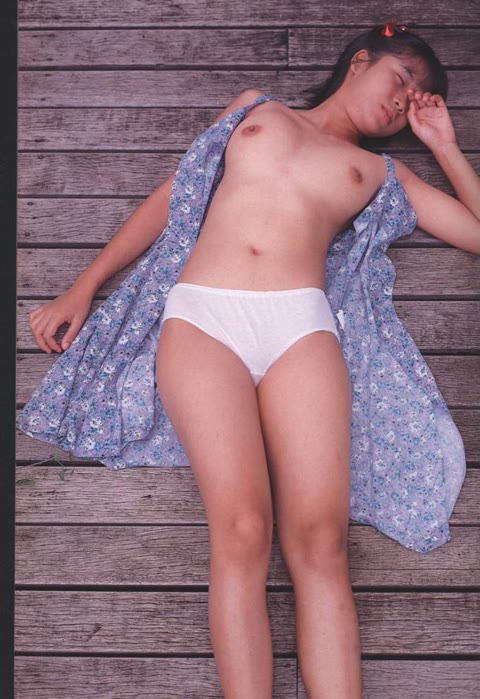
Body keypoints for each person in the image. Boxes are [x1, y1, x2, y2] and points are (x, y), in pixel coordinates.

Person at [22, 22, 480, 698]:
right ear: (361, 60)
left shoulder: (385, 173)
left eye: (417, 100)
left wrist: (442, 143)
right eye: (403, 80)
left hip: (301, 328)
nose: (403, 101)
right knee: (241, 531)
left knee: (321, 543)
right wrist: (84, 285)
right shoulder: (256, 109)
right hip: (204, 319)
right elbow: (175, 195)